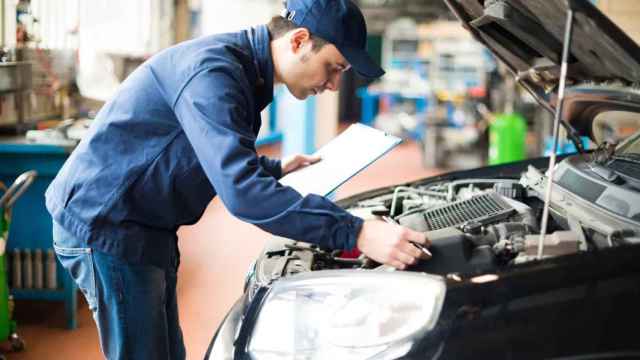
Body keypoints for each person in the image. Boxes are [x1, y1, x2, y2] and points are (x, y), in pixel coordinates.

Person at [45, 0, 430, 358]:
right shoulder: (214, 72)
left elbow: (203, 153)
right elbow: (242, 194)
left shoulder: (245, 75)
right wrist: (357, 233)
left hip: (146, 223)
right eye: (335, 68)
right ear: (299, 41)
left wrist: (276, 168)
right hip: (107, 223)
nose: (332, 85)